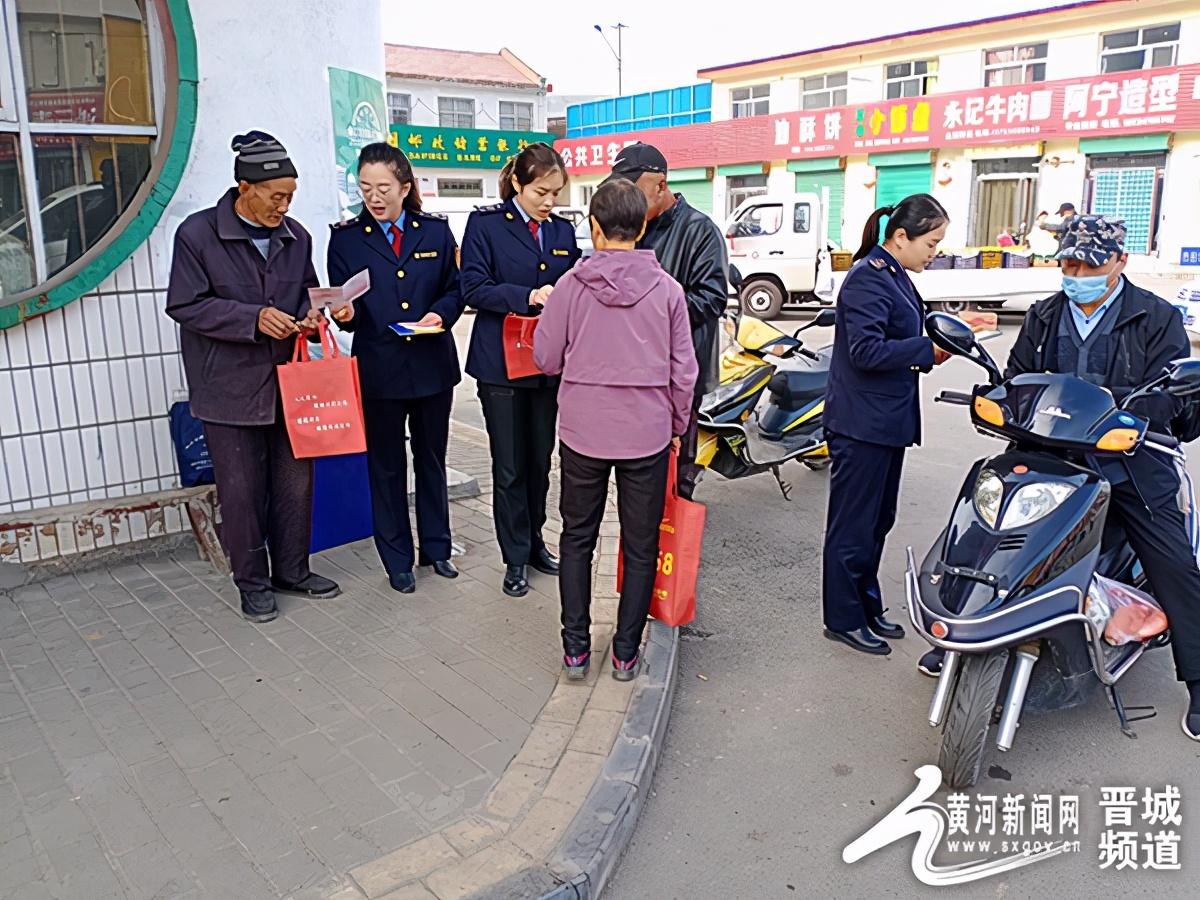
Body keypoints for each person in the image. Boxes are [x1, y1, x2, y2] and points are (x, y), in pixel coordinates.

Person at [918, 215, 1200, 742]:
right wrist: (998, 397)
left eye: (1089, 264)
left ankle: (1199, 679)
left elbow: (1174, 395)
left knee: (1170, 558)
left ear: (1119, 262)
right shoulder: (1046, 314)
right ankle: (966, 629)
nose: (1076, 273)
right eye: (1068, 263)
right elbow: (1020, 376)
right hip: (1046, 449)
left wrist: (1147, 412)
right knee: (986, 525)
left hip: (1126, 456)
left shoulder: (1156, 317)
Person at [166, 131, 340, 623]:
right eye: (275, 196)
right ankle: (252, 583)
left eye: (290, 197)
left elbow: (306, 290)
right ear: (245, 187)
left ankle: (293, 571)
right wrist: (252, 318)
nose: (283, 207)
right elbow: (184, 304)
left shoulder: (296, 236)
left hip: (289, 381)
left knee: (294, 482)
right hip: (227, 386)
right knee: (240, 491)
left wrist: (314, 314)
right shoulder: (198, 234)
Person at [533, 179, 698, 680]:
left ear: (595, 227)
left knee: (578, 537)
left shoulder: (569, 287)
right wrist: (674, 423)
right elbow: (683, 371)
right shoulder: (668, 291)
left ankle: (576, 650)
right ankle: (626, 653)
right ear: (644, 225)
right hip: (646, 434)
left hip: (583, 431)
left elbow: (545, 357)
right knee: (641, 542)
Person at [327, 143, 464, 595]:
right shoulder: (347, 239)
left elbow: (454, 289)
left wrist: (440, 315)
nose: (374, 196)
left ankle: (438, 548)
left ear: (406, 187)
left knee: (431, 461)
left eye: (383, 187)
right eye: (366, 188)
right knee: (386, 467)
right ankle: (397, 558)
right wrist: (344, 315)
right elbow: (346, 304)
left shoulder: (435, 232)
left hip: (431, 368)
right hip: (380, 371)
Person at [821, 193, 951, 656]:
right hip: (861, 426)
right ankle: (843, 618)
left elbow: (905, 329)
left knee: (878, 522)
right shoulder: (868, 279)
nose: (934, 252)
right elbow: (866, 352)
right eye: (931, 242)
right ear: (901, 236)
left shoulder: (895, 275)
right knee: (852, 527)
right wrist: (924, 351)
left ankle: (866, 605)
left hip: (885, 423)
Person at [460, 143, 581, 598]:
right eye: (541, 193)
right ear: (517, 184)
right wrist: (528, 296)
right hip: (501, 367)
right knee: (509, 465)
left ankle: (534, 544)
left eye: (556, 193)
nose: (549, 202)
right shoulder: (486, 225)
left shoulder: (562, 232)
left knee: (538, 463)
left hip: (546, 365)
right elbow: (473, 287)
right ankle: (513, 558)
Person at [604, 142, 727, 501]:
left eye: (632, 187)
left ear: (660, 185)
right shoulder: (633, 229)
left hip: (677, 378)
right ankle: (642, 542)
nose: (625, 197)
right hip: (634, 373)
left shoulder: (700, 231)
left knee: (676, 470)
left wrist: (646, 312)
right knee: (637, 475)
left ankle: (671, 548)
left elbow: (711, 299)